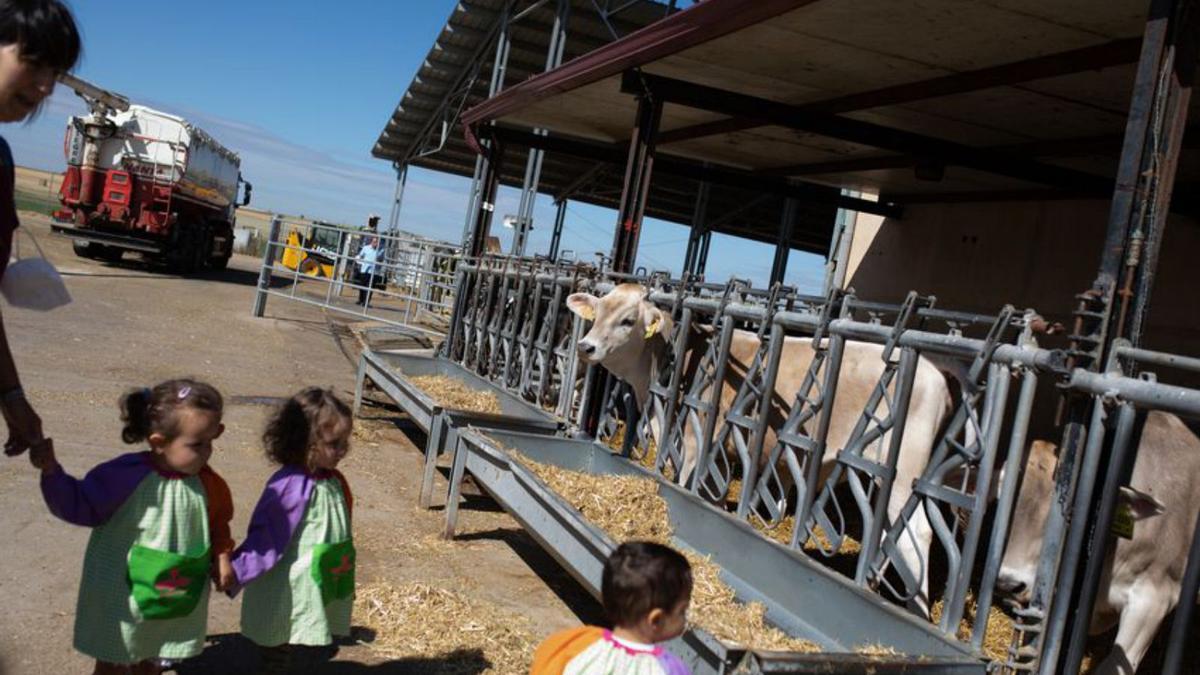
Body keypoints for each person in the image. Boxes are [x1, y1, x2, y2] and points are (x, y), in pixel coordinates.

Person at [29, 379, 235, 675]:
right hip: (122, 593)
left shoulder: (208, 483)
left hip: (176, 588)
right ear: (158, 442)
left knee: (155, 651)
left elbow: (218, 523)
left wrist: (222, 556)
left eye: (210, 442)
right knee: (116, 655)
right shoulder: (126, 475)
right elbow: (82, 503)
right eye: (196, 444)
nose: (207, 452)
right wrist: (52, 473)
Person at [0, 0, 81, 458]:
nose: (47, 85)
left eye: (56, 72)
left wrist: (12, 397)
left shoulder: (1, 158)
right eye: (34, 62)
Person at [228, 387, 355, 674]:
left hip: (316, 572)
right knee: (280, 629)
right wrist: (237, 570)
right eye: (335, 443)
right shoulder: (291, 485)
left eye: (345, 441)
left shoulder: (332, 480)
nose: (343, 450)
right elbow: (266, 536)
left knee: (296, 627)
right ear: (305, 443)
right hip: (288, 578)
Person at [531, 541, 694, 675]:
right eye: (682, 611)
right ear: (656, 619)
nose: (685, 617)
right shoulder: (670, 669)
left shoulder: (574, 646)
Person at [354, 236, 379, 307]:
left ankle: (366, 302)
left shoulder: (379, 250)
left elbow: (381, 259)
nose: (375, 244)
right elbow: (360, 256)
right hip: (364, 270)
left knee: (370, 288)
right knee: (362, 286)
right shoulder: (366, 248)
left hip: (373, 272)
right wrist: (359, 261)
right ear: (371, 242)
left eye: (377, 242)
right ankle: (361, 300)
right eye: (374, 242)